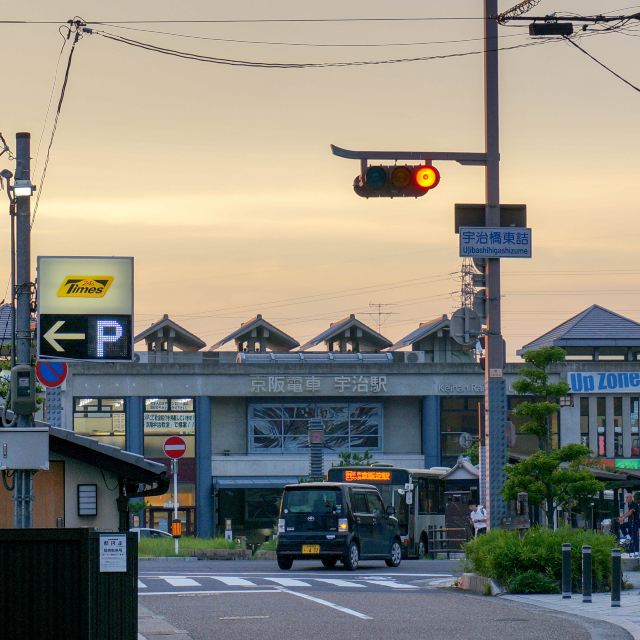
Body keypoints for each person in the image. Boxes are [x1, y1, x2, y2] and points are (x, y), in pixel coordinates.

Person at [618, 492, 639, 557]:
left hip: (635, 523)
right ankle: (628, 537)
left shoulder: (634, 504)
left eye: (627, 497)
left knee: (635, 538)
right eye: (626, 497)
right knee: (622, 526)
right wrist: (621, 517)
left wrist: (623, 517)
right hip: (630, 522)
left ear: (630, 498)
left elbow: (630, 512)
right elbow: (627, 512)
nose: (626, 499)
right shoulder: (629, 505)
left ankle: (637, 552)